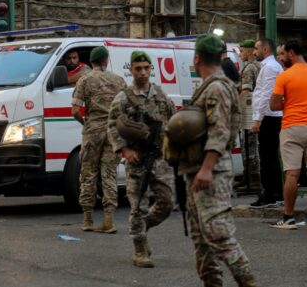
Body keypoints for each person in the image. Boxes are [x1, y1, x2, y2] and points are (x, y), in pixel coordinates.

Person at [166, 34, 257, 286]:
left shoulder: (217, 87)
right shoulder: (210, 85)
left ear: (196, 58)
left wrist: (206, 168)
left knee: (219, 235)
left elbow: (219, 130)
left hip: (211, 171)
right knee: (201, 240)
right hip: (196, 170)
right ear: (220, 57)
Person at [108, 51, 174, 267]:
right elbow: (112, 127)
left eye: (146, 68)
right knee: (138, 206)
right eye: (138, 68)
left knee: (167, 203)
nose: (143, 72)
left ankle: (140, 228)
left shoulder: (161, 96)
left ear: (151, 69)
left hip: (160, 159)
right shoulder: (123, 98)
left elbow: (173, 121)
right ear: (131, 70)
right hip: (137, 159)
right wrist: (124, 150)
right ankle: (139, 250)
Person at [72, 46, 126, 233]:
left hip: (92, 131)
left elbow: (75, 110)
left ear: (91, 62)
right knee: (109, 174)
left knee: (88, 174)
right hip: (112, 132)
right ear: (106, 61)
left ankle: (87, 219)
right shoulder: (119, 81)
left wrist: (86, 123)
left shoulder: (84, 80)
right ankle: (109, 219)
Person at [269, 40, 307, 230]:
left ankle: (288, 217)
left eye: (283, 54)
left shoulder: (285, 76)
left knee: (292, 173)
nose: (282, 58)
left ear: (292, 53)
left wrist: (287, 101)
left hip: (292, 127)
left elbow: (274, 105)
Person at [250, 38, 283, 208]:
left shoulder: (269, 68)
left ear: (265, 49)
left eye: (256, 48)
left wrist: (257, 119)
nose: (254, 52)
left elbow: (266, 95)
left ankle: (269, 195)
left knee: (266, 157)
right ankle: (276, 193)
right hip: (272, 116)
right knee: (271, 157)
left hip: (268, 117)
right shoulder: (272, 67)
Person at [236, 39, 261, 191]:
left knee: (249, 147)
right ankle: (251, 178)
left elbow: (246, 91)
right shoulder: (260, 66)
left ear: (250, 51)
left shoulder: (248, 69)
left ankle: (252, 181)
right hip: (258, 112)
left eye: (242, 51)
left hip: (249, 112)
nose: (240, 54)